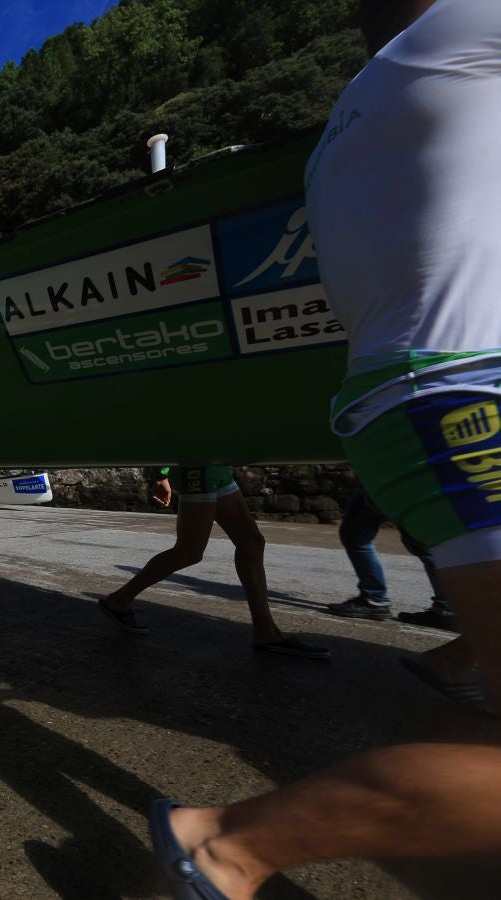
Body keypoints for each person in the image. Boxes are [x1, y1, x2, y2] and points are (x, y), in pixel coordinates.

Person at [150, 3, 501, 896]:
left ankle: (439, 653)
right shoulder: (466, 31)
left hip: (408, 397)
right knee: (206, 547)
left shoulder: (346, 125)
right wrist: (169, 467)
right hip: (460, 390)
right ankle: (230, 842)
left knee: (249, 545)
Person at [99, 466, 329, 659]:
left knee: (251, 542)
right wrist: (161, 473)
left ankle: (266, 631)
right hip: (197, 468)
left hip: (216, 468)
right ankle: (120, 600)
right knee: (189, 551)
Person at [325, 481, 458, 630]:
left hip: (385, 477)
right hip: (413, 477)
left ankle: (373, 598)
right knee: (420, 541)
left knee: (357, 535)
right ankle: (448, 607)